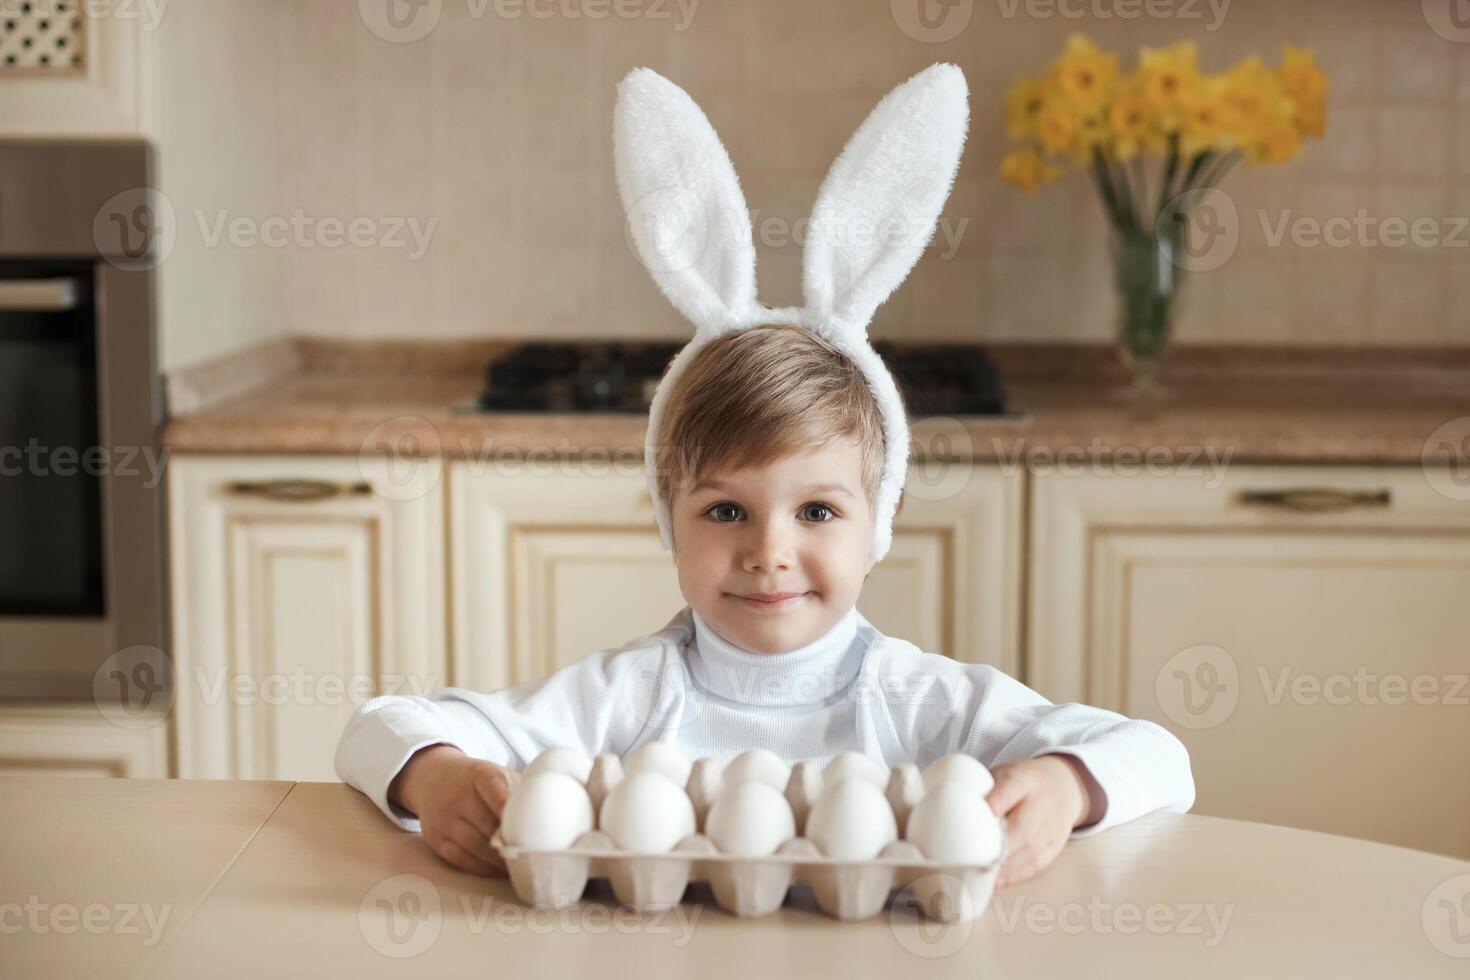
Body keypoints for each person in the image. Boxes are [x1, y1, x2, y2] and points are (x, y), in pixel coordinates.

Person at [335, 64, 1194, 889]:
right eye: (725, 510)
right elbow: (378, 728)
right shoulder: (628, 698)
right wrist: (436, 778)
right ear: (672, 521)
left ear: (878, 523)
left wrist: (1064, 786)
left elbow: (1158, 755)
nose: (768, 551)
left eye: (817, 510)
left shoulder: (920, 703)